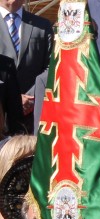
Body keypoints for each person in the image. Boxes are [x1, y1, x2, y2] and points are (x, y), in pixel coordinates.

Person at [0, 0, 52, 132]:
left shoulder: (43, 25)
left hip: (32, 115)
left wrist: (32, 96)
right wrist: (13, 99)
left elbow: (51, 66)